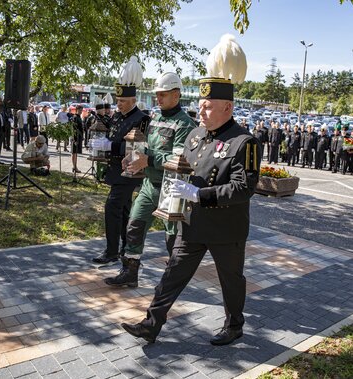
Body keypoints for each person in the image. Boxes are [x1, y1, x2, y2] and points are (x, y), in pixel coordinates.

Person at [121, 34, 261, 345]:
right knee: (172, 274)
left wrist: (199, 194)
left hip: (226, 228)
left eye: (208, 107)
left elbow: (243, 188)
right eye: (200, 105)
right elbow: (179, 169)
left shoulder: (245, 142)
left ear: (227, 107)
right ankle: (151, 323)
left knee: (231, 282)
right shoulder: (196, 136)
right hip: (193, 224)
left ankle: (234, 325)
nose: (202, 112)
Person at [103, 72, 196, 288]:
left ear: (176, 94)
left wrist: (148, 159)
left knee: (172, 237)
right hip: (149, 185)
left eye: (163, 94)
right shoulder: (155, 118)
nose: (158, 99)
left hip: (171, 188)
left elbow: (179, 159)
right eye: (157, 95)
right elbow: (147, 146)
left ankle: (171, 280)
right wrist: (133, 155)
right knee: (134, 225)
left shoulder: (185, 124)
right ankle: (129, 271)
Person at [91, 57, 151, 265]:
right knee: (124, 210)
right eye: (117, 101)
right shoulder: (118, 116)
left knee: (112, 207)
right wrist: (104, 144)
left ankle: (111, 251)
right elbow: (114, 135)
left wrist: (110, 146)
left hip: (129, 171)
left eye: (122, 101)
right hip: (115, 169)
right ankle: (126, 248)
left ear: (133, 101)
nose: (118, 104)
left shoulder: (142, 119)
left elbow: (139, 148)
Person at [71, 104, 84, 173]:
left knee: (75, 153)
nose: (81, 111)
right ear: (77, 110)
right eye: (80, 110)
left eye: (81, 110)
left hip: (79, 137)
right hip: (76, 138)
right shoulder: (75, 117)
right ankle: (75, 167)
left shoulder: (79, 117)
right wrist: (75, 139)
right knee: (74, 153)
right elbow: (74, 129)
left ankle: (75, 167)